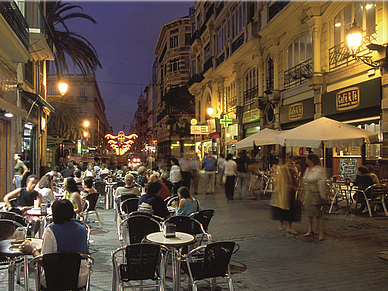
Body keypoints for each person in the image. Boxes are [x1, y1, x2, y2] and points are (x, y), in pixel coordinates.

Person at [19, 199, 89, 288]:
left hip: (55, 279)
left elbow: (44, 261)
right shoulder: (82, 229)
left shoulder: (51, 230)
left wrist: (32, 249)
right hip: (79, 278)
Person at [271, 156, 300, 235]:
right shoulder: (282, 169)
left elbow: (296, 178)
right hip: (283, 192)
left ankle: (288, 227)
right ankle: (284, 225)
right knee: (283, 209)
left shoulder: (292, 168)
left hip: (288, 192)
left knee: (289, 209)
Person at [302, 154, 327, 240]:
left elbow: (322, 180)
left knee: (318, 213)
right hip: (308, 191)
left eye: (307, 159)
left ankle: (321, 232)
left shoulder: (319, 170)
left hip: (315, 192)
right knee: (309, 212)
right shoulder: (308, 169)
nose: (306, 161)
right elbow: (304, 179)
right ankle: (310, 229)